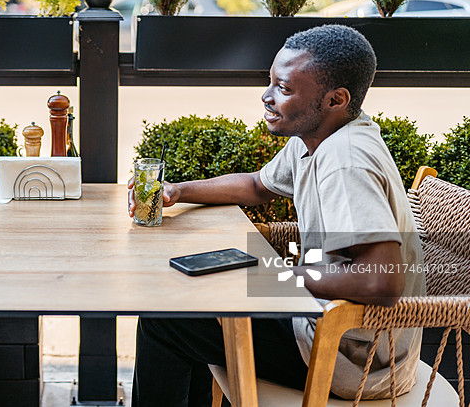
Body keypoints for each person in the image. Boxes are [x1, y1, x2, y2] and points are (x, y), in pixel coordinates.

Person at [128, 24, 424, 406]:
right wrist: (179, 191)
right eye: (271, 83)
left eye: (284, 89)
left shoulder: (345, 162)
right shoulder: (320, 136)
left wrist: (278, 279)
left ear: (336, 99)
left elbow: (381, 282)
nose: (266, 97)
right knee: (188, 312)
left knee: (164, 321)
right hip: (332, 330)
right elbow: (256, 186)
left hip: (354, 360)